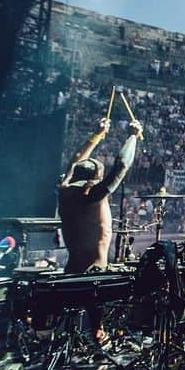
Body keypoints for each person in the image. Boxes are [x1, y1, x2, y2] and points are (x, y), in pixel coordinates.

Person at [58, 116, 142, 342]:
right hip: (94, 274)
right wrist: (133, 137)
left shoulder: (65, 191)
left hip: (72, 268)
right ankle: (100, 334)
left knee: (71, 325)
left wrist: (97, 135)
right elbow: (121, 166)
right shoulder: (92, 196)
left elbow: (75, 161)